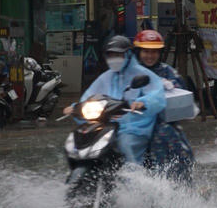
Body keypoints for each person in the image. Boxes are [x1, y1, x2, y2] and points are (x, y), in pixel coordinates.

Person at [63, 35, 165, 165]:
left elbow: (157, 95)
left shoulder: (143, 74)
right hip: (106, 124)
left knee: (126, 145)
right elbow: (89, 97)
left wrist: (143, 102)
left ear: (128, 55)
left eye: (118, 55)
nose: (114, 59)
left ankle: (135, 179)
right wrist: (75, 107)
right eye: (110, 55)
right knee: (79, 142)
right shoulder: (105, 77)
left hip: (133, 127)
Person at [133, 29, 194, 179]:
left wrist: (169, 86)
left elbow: (180, 92)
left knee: (170, 140)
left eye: (154, 52)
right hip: (132, 122)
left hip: (161, 122)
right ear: (138, 52)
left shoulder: (167, 72)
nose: (150, 56)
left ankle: (180, 181)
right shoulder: (129, 71)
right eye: (145, 52)